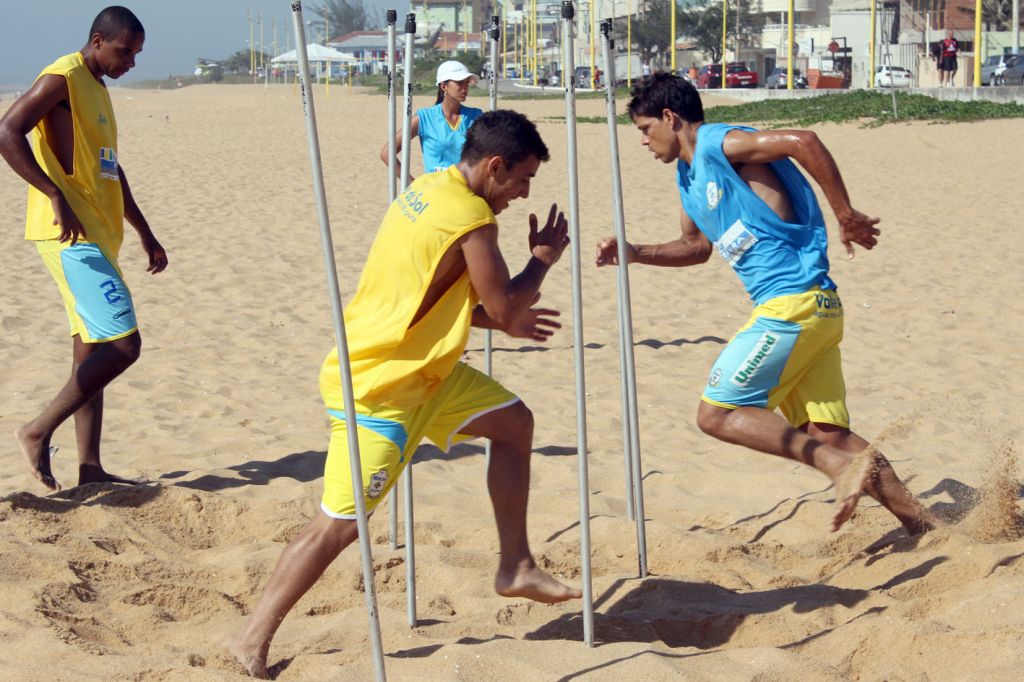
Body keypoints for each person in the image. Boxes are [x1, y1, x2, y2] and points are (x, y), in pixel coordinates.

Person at [230, 110, 581, 678]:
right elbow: (503, 303)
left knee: (515, 424)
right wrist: (540, 261)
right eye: (522, 180)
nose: (523, 193)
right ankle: (250, 638)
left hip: (427, 370)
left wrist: (500, 323)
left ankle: (515, 565)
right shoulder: (472, 220)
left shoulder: (427, 189)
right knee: (339, 525)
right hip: (381, 386)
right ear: (495, 166)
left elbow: (433, 293)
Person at [595, 74, 935, 535]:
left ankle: (837, 469)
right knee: (829, 434)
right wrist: (635, 253)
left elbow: (803, 139)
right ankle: (926, 526)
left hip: (792, 305)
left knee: (715, 415)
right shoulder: (687, 177)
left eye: (643, 128)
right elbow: (695, 248)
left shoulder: (719, 143)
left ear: (670, 118)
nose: (642, 141)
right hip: (815, 309)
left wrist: (845, 214)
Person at [0, 6, 167, 492]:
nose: (131, 63)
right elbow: (7, 131)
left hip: (99, 234)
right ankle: (35, 431)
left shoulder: (97, 88)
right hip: (70, 237)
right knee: (124, 346)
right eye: (124, 52)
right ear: (98, 41)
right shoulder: (63, 76)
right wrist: (53, 193)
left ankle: (90, 470)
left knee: (90, 351)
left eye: (136, 55)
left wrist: (144, 230)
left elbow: (111, 169)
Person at [380, 60, 483, 184]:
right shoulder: (424, 118)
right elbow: (387, 153)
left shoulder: (476, 116)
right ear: (443, 86)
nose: (465, 87)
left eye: (466, 83)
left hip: (467, 191)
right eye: (460, 83)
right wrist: (414, 185)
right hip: (436, 192)